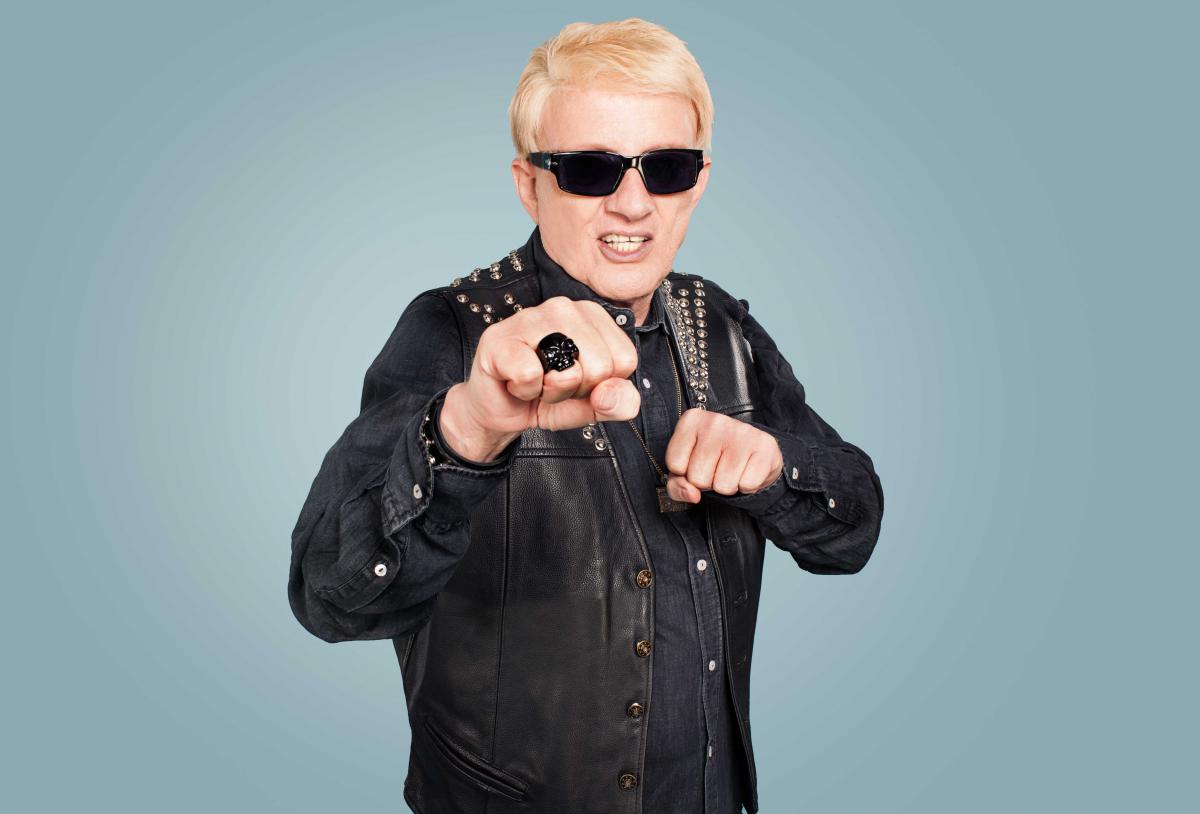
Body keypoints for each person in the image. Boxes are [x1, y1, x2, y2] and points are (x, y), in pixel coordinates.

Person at [288, 17, 884, 814]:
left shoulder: (722, 325)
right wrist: (466, 434)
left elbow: (854, 532)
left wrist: (776, 469)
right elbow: (330, 597)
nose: (633, 204)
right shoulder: (454, 331)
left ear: (699, 181)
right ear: (529, 183)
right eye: (590, 170)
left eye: (666, 168)